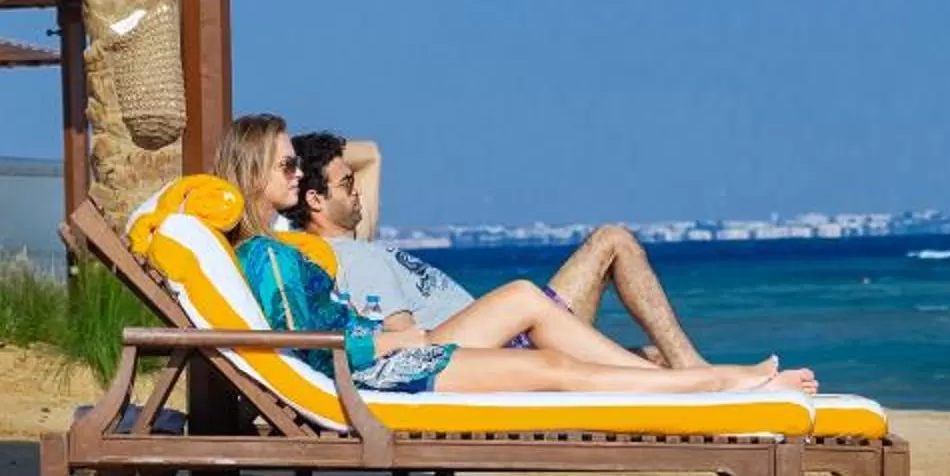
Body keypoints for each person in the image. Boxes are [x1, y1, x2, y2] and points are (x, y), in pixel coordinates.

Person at [212, 114, 810, 398]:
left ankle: (703, 381)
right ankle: (714, 385)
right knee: (547, 332)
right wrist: (391, 342)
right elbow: (301, 344)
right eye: (286, 166)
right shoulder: (275, 255)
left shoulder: (281, 248)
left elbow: (309, 333)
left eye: (298, 165)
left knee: (586, 356)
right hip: (388, 365)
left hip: (399, 356)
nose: (296, 174)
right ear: (256, 172)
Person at [291, 129, 708, 367]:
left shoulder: (356, 242)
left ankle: (692, 373)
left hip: (516, 336)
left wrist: (299, 160)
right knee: (608, 245)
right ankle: (696, 380)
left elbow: (370, 155)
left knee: (656, 352)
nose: (358, 191)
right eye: (347, 184)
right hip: (502, 350)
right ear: (315, 200)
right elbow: (402, 341)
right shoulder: (354, 258)